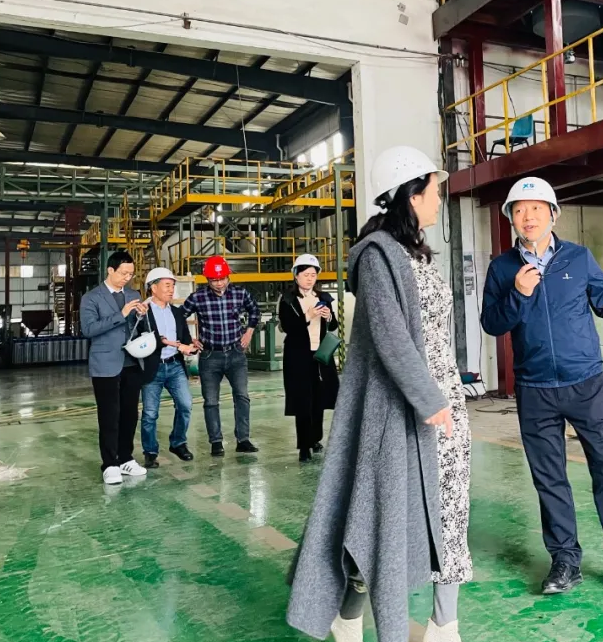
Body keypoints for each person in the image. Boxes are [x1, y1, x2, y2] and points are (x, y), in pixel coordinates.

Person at [288, 146, 472, 642]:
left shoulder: (418, 253)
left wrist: (445, 398)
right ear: (412, 195)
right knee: (383, 523)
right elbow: (391, 336)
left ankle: (445, 625)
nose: (440, 200)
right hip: (406, 410)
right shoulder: (377, 256)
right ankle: (348, 614)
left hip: (442, 405)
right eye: (435, 190)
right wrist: (429, 400)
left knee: (450, 513)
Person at [480, 176, 603, 600]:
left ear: (553, 214)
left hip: (585, 384)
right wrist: (518, 294)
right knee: (549, 478)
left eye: (537, 208)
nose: (528, 217)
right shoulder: (502, 268)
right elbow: (492, 323)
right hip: (534, 388)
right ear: (511, 218)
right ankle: (565, 560)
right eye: (519, 210)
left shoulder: (579, 258)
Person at [80, 249, 150, 485]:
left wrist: (141, 316)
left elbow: (138, 328)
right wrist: (121, 314)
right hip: (105, 364)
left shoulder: (133, 294)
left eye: (131, 274)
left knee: (130, 414)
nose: (127, 278)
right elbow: (89, 329)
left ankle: (125, 458)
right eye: (123, 273)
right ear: (110, 270)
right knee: (109, 416)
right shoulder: (91, 298)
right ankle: (109, 464)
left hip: (132, 362)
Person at [182, 256, 261, 457]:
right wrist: (190, 339)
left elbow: (255, 311)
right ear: (207, 279)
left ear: (228, 276)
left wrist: (249, 332)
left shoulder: (240, 294)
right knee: (211, 401)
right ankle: (216, 442)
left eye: (222, 279)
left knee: (242, 396)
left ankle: (243, 440)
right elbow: (178, 317)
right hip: (210, 356)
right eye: (214, 280)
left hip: (236, 354)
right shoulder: (198, 297)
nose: (218, 283)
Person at [277, 253, 341, 462]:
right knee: (302, 401)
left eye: (313, 275)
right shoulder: (288, 299)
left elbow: (333, 325)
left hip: (320, 356)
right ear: (296, 276)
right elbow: (288, 327)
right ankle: (304, 446)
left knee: (319, 399)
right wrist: (308, 315)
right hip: (298, 357)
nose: (309, 279)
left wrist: (328, 317)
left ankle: (315, 439)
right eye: (305, 275)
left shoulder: (323, 298)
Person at [139, 267, 197, 469]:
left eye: (172, 286)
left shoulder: (176, 312)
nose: (171, 290)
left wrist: (191, 346)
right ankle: (150, 451)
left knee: (185, 405)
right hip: (153, 368)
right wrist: (176, 345)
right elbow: (145, 339)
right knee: (150, 413)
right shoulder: (143, 313)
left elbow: (185, 338)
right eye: (167, 286)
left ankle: (178, 442)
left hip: (174, 366)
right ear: (153, 288)